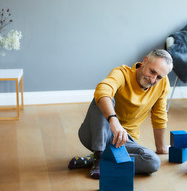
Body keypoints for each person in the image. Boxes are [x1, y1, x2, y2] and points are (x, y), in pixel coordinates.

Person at [70, 49, 173, 179]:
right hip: (94, 134)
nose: (153, 79)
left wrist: (161, 148)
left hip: (124, 141)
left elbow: (159, 115)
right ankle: (99, 154)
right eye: (152, 71)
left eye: (159, 77)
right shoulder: (121, 73)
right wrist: (113, 121)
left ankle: (98, 159)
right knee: (103, 97)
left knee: (153, 162)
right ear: (145, 61)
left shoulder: (162, 84)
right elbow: (102, 90)